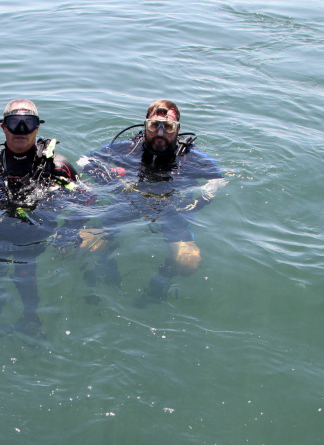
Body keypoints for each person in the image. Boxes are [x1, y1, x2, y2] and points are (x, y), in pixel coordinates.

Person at [0, 99, 95, 342]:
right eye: (15, 123)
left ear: (38, 127)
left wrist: (69, 229)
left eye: (28, 123)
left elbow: (88, 197)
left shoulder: (57, 166)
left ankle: (30, 318)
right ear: (3, 127)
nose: (21, 130)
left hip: (36, 233)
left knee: (26, 277)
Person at [78, 99, 226, 302]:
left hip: (171, 210)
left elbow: (218, 179)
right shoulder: (129, 149)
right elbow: (85, 160)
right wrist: (103, 177)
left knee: (189, 262)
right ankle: (108, 267)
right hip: (126, 203)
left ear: (177, 129)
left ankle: (163, 278)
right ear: (145, 126)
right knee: (88, 242)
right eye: (154, 125)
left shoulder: (189, 157)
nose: (160, 133)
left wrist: (198, 202)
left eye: (168, 127)